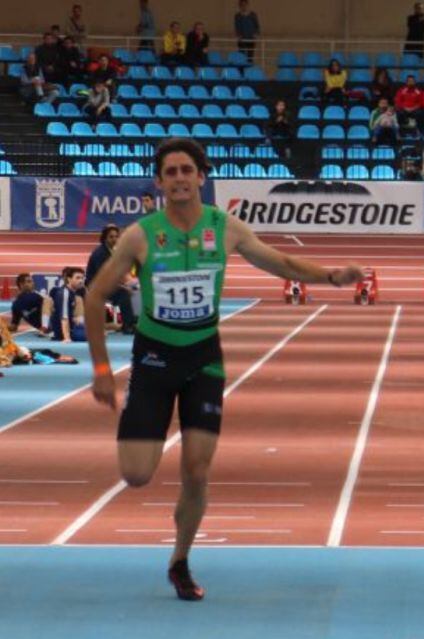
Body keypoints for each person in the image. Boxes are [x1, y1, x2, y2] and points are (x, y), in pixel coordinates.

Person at [85, 137, 361, 602]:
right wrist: (99, 368)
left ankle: (179, 560)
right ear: (158, 181)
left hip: (204, 358)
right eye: (169, 172)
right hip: (153, 360)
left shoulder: (225, 227)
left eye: (185, 171)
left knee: (196, 469)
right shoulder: (140, 235)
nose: (178, 179)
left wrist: (330, 276)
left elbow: (283, 263)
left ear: (201, 177)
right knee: (136, 475)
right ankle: (146, 428)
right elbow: (94, 297)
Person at [86, 224, 136, 334]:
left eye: (116, 236)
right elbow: (104, 276)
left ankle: (132, 322)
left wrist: (129, 282)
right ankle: (128, 326)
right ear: (105, 238)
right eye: (111, 237)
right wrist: (123, 286)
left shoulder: (112, 251)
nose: (114, 239)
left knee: (132, 290)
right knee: (124, 294)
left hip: (106, 283)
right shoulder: (100, 253)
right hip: (96, 286)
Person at [49, 267, 86, 343]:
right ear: (69, 279)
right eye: (78, 278)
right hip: (63, 331)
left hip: (73, 326)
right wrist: (67, 337)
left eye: (82, 278)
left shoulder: (73, 292)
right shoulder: (64, 293)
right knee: (96, 335)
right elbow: (64, 318)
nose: (81, 281)